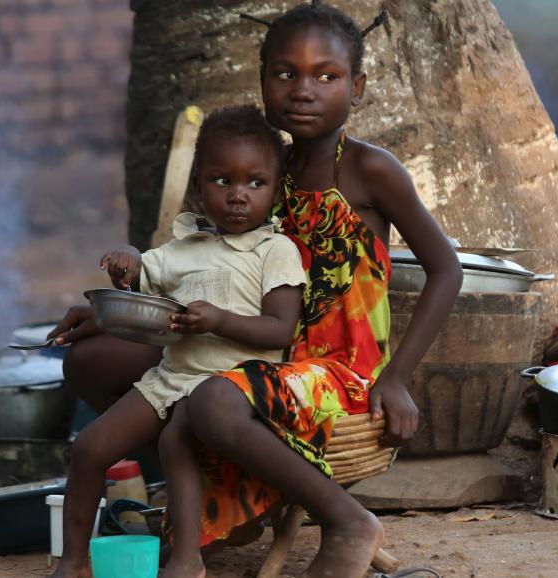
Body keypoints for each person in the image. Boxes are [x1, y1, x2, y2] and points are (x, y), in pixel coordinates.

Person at [51, 3, 463, 576]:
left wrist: (396, 377)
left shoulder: (371, 171)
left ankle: (346, 520)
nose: (303, 90)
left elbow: (447, 270)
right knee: (92, 361)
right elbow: (216, 274)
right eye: (285, 73)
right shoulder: (261, 170)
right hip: (255, 348)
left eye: (327, 75)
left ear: (358, 87)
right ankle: (204, 491)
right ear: (263, 81)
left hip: (336, 368)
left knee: (212, 398)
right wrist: (113, 313)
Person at [49, 105, 307, 578]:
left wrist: (220, 321)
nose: (237, 196)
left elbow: (280, 331)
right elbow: (141, 279)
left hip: (238, 388)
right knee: (89, 446)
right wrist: (125, 261)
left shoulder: (277, 251)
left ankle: (187, 560)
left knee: (177, 439)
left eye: (255, 182)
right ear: (198, 185)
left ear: (276, 187)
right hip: (173, 378)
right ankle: (73, 561)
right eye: (221, 180)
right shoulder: (184, 248)